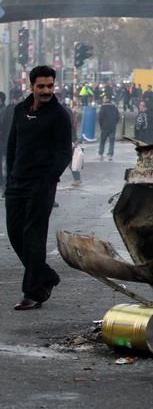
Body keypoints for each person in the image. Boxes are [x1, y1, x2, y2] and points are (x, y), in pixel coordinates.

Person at [5, 65, 72, 310]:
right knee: (15, 234)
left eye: (50, 86)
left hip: (41, 185)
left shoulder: (59, 115)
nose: (46, 90)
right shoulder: (20, 110)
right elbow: (13, 145)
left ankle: (32, 292)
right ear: (31, 86)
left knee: (33, 237)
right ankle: (46, 275)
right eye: (41, 86)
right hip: (17, 183)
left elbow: (65, 152)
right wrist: (10, 176)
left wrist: (49, 178)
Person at [97, 94, 120, 161]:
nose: (103, 99)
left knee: (102, 141)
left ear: (107, 99)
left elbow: (100, 118)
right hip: (112, 127)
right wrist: (114, 123)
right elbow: (117, 117)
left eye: (104, 98)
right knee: (112, 141)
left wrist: (101, 125)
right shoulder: (114, 107)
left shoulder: (103, 108)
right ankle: (110, 154)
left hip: (104, 127)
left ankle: (101, 153)